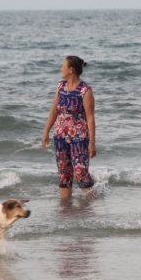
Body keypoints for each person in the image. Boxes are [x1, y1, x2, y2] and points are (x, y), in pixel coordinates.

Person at [41, 56, 96, 198]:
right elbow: (54, 111)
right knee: (64, 175)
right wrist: (46, 132)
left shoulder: (85, 90)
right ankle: (65, 210)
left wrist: (92, 142)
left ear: (71, 70)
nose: (61, 68)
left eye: (63, 66)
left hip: (79, 138)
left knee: (80, 173)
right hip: (60, 138)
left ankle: (92, 204)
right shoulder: (60, 87)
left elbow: (90, 118)